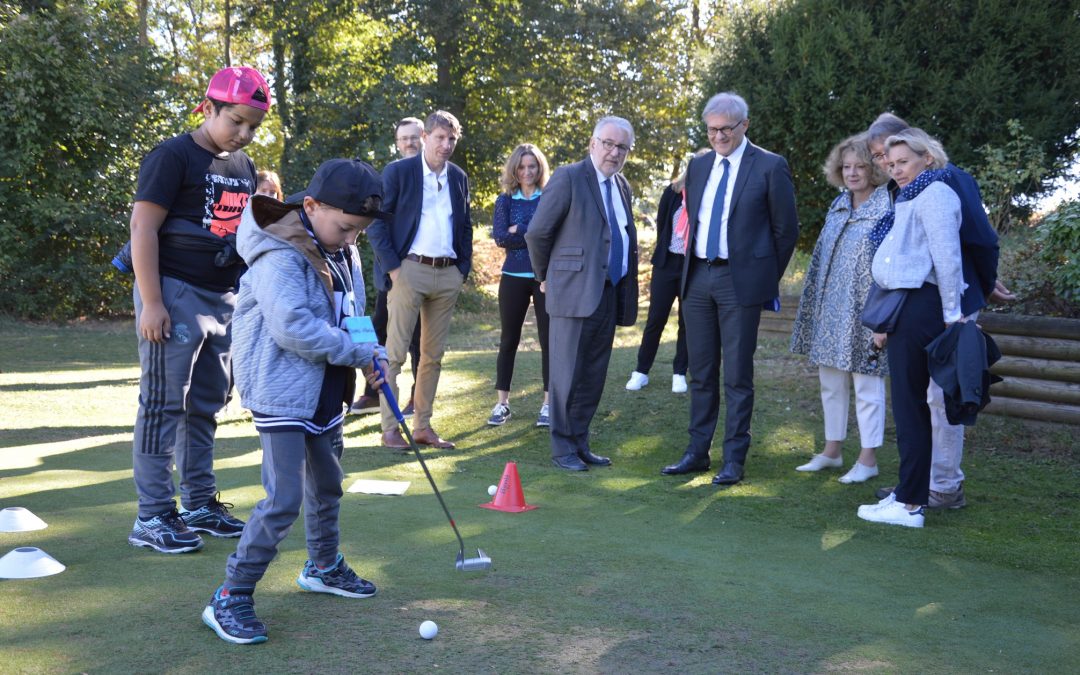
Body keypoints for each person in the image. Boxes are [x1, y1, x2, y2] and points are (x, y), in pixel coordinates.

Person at [202, 158, 390, 644]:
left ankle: (323, 566)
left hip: (326, 387)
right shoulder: (280, 253)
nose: (352, 239)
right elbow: (293, 329)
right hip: (281, 386)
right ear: (310, 206)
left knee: (327, 482)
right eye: (347, 227)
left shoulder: (340, 250)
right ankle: (231, 596)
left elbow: (353, 312)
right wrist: (356, 352)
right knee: (284, 497)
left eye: (360, 233)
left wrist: (374, 352)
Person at [127, 66, 270, 554]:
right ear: (207, 108)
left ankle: (199, 503)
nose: (244, 134)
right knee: (163, 403)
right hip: (174, 293)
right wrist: (151, 302)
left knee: (207, 403)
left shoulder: (243, 166)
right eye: (236, 121)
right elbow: (143, 230)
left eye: (254, 126)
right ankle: (152, 515)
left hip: (222, 298)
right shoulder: (172, 156)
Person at [866, 113, 1014, 509]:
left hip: (953, 299)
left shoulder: (949, 180)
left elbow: (981, 240)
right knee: (920, 396)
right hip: (919, 299)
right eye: (880, 159)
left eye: (889, 155)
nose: (886, 165)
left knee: (941, 393)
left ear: (919, 151)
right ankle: (917, 483)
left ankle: (943, 485)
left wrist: (984, 283)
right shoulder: (906, 185)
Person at [660, 92, 799, 486]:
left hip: (740, 283)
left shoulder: (771, 166)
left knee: (737, 374)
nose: (718, 136)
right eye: (712, 130)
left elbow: (785, 230)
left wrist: (762, 277)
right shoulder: (699, 165)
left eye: (726, 129)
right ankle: (696, 452)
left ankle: (733, 459)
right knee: (701, 372)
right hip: (698, 279)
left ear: (745, 125)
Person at [857, 128, 964, 528]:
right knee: (908, 407)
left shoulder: (935, 194)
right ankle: (907, 494)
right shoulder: (914, 194)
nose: (894, 169)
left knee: (911, 407)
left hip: (922, 305)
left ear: (927, 159)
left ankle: (910, 506)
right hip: (909, 305)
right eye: (890, 162)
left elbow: (947, 259)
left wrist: (952, 316)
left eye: (903, 162)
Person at [525, 116, 639, 471]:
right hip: (572, 291)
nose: (614, 152)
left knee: (593, 374)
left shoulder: (622, 186)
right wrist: (545, 276)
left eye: (622, 147)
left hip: (608, 293)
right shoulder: (569, 177)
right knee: (566, 375)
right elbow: (537, 233)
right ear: (593, 143)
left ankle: (580, 442)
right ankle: (562, 449)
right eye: (608, 143)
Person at [367, 110, 473, 450]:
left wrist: (462, 269)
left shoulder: (458, 177)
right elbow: (376, 222)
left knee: (432, 356)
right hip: (409, 270)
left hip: (448, 273)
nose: (446, 145)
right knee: (394, 355)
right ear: (425, 137)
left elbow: (465, 225)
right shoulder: (398, 172)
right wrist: (394, 269)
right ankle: (389, 429)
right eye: (440, 137)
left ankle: (423, 427)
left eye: (451, 139)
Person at [790, 134, 891, 484]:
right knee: (830, 383)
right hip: (832, 311)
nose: (852, 173)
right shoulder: (837, 206)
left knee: (867, 385)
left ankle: (868, 459)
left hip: (867, 313)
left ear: (875, 169)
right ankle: (832, 451)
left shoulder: (886, 209)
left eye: (860, 166)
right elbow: (820, 260)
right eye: (846, 167)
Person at [350, 117, 425, 416]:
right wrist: (394, 269)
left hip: (424, 272)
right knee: (377, 329)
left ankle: (416, 398)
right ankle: (372, 392)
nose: (409, 143)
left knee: (418, 339)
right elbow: (377, 226)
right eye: (403, 138)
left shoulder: (434, 176)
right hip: (392, 274)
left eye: (414, 137)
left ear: (425, 137)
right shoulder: (389, 176)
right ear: (397, 143)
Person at [625, 150, 710, 395]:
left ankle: (679, 373)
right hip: (666, 265)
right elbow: (663, 227)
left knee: (687, 322)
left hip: (691, 267)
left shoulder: (709, 197)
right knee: (655, 320)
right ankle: (641, 371)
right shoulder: (672, 192)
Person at [488, 143, 552, 427]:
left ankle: (548, 405)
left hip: (544, 279)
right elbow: (501, 237)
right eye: (522, 166)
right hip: (512, 276)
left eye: (532, 166)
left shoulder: (548, 197)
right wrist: (530, 232)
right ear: (514, 169)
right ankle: (502, 404)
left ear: (539, 168)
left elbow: (549, 235)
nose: (527, 171)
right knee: (508, 340)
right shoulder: (505, 200)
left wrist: (521, 230)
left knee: (549, 342)